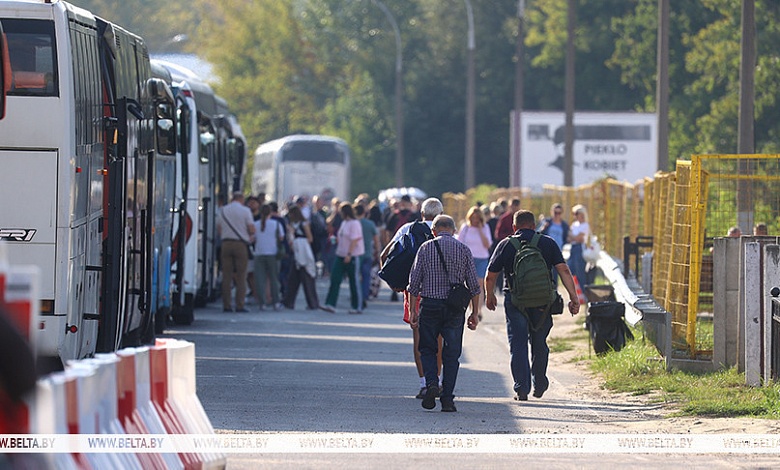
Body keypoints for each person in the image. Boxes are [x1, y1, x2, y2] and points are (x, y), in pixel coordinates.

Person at [485, 209, 580, 401]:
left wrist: (489, 297)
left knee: (518, 344)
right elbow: (563, 269)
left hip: (515, 300)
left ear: (514, 227)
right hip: (543, 301)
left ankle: (521, 387)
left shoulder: (506, 244)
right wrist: (573, 297)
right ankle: (540, 381)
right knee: (539, 342)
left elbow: (491, 275)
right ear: (534, 225)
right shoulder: (547, 242)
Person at [407, 215, 481, 412]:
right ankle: (447, 399)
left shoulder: (425, 248)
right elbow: (474, 286)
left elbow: (414, 284)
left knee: (428, 348)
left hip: (430, 305)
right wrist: (474, 313)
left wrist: (413, 310)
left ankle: (432, 383)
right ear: (454, 230)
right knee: (451, 354)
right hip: (454, 309)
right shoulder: (463, 249)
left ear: (434, 231)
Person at [380, 197, 444, 399]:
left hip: (413, 290)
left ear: (422, 213)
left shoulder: (407, 228)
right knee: (438, 338)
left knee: (418, 336)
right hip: (440, 290)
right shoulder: (447, 230)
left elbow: (385, 255)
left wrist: (395, 284)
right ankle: (438, 381)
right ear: (440, 214)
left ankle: (424, 383)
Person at [322, 202, 364, 314]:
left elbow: (354, 240)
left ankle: (357, 306)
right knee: (335, 278)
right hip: (340, 254)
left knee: (353, 281)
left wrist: (349, 254)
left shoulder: (354, 223)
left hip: (352, 255)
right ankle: (330, 304)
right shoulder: (344, 223)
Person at [217, 191, 255, 312]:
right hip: (240, 244)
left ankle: (226, 305)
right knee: (241, 276)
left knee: (226, 276)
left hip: (226, 244)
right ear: (242, 199)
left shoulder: (222, 210)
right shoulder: (245, 211)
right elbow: (252, 228)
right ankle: (240, 304)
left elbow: (219, 228)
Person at [282, 205, 322, 310]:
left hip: (303, 253)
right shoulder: (292, 225)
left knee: (307, 278)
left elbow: (310, 238)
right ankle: (288, 302)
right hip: (296, 253)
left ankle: (312, 303)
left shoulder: (304, 224)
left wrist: (298, 242)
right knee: (293, 279)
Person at [455, 206, 492, 309]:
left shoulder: (485, 228)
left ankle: (478, 309)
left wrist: (480, 230)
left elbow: (487, 244)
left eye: (477, 218)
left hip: (481, 258)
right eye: (473, 218)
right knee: (469, 285)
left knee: (480, 284)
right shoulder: (465, 228)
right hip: (468, 259)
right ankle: (472, 307)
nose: (475, 220)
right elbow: (459, 243)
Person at [253, 204, 284, 310]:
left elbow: (252, 238)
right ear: (270, 213)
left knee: (260, 279)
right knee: (274, 279)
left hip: (259, 253)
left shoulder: (256, 224)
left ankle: (262, 302)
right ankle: (276, 301)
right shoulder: (276, 224)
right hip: (273, 254)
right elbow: (281, 238)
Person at [538, 202, 570, 284]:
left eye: (559, 213)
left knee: (556, 274)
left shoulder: (564, 225)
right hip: (547, 250)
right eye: (555, 213)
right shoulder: (547, 222)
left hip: (559, 250)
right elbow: (537, 233)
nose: (557, 215)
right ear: (552, 212)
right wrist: (543, 227)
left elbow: (567, 237)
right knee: (547, 272)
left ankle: (554, 291)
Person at [355, 204, 379, 310]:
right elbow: (376, 240)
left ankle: (357, 296)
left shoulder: (354, 224)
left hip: (356, 253)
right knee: (366, 277)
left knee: (356, 277)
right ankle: (364, 296)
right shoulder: (370, 224)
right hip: (368, 253)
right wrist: (378, 252)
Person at [567, 204, 590, 288]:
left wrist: (572, 236)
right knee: (570, 270)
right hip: (573, 248)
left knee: (580, 272)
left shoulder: (585, 225)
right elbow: (569, 238)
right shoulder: (574, 224)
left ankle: (583, 293)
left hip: (580, 249)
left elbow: (579, 239)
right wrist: (574, 237)